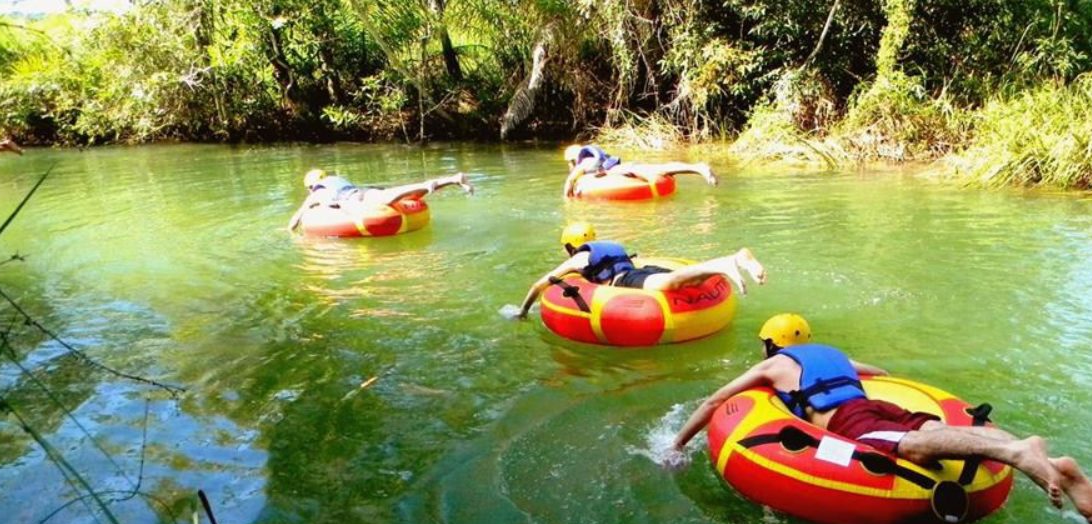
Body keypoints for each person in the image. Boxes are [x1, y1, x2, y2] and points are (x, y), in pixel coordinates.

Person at [667, 313, 1092, 524]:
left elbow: (712, 403)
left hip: (850, 421)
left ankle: (1018, 451)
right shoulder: (835, 355)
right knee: (932, 430)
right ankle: (1049, 468)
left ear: (770, 345)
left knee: (911, 448)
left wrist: (677, 445)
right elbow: (878, 374)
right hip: (881, 406)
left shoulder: (772, 367)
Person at [516, 222, 765, 319]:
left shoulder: (578, 258)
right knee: (685, 278)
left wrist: (523, 311)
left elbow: (539, 286)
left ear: (570, 246)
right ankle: (727, 262)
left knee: (672, 283)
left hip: (627, 280)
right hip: (640, 269)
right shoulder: (610, 244)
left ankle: (729, 262)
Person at [288, 168, 473, 232]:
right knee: (405, 195)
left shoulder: (316, 194)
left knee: (389, 198)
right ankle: (452, 179)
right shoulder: (336, 180)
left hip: (356, 202)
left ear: (311, 186)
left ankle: (435, 183)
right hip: (362, 192)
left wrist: (289, 231)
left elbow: (297, 218)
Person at [561, 144, 718, 198]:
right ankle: (696, 168)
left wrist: (568, 194)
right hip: (626, 168)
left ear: (573, 161)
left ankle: (698, 168)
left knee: (656, 172)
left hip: (622, 171)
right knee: (662, 169)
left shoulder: (583, 163)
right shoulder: (591, 158)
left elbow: (572, 178)